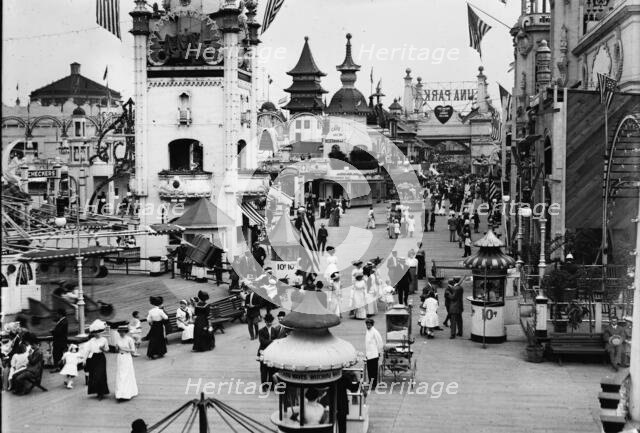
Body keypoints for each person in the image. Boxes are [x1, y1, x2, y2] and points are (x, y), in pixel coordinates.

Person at [85, 321, 110, 400]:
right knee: (94, 375)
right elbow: (87, 350)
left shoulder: (104, 340)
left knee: (100, 375)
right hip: (93, 358)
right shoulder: (91, 340)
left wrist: (103, 349)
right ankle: (97, 391)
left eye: (98, 332)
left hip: (101, 358)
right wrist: (85, 360)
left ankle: (101, 393)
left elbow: (107, 350)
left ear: (100, 332)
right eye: (95, 332)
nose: (96, 334)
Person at [114, 326, 138, 401]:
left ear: (125, 332)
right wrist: (117, 348)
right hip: (120, 358)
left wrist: (125, 349)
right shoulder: (117, 339)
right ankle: (119, 393)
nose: (121, 333)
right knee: (120, 374)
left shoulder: (129, 339)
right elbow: (116, 350)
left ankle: (126, 393)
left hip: (127, 357)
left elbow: (133, 350)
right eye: (120, 332)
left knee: (126, 374)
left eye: (123, 332)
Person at [257, 313, 278, 391]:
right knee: (264, 370)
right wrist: (273, 341)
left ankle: (271, 385)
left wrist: (273, 342)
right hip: (263, 352)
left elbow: (277, 341)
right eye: (268, 322)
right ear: (265, 322)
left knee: (271, 370)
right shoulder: (261, 331)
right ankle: (264, 386)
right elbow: (262, 342)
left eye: (270, 322)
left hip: (272, 353)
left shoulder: (274, 330)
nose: (269, 323)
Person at [364, 319, 383, 389]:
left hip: (374, 355)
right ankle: (370, 383)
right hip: (369, 355)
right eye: (367, 325)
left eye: (369, 325)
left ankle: (374, 385)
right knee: (369, 371)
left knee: (373, 371)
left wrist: (379, 352)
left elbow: (380, 342)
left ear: (372, 325)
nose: (368, 326)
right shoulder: (367, 331)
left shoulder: (375, 332)